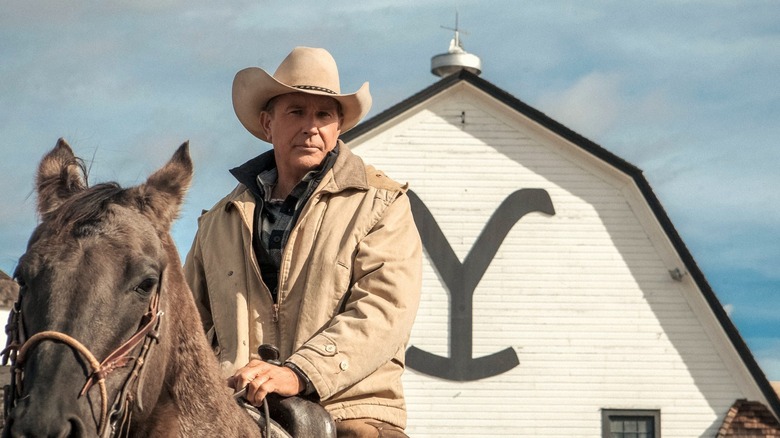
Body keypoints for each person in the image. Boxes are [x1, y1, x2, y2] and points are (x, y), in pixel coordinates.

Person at [184, 46, 422, 437]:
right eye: (296, 112)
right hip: (234, 412)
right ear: (267, 124)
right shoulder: (217, 222)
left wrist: (298, 373)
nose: (311, 126)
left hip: (351, 411)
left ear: (338, 127)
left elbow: (384, 311)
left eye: (324, 114)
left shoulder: (382, 205)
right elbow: (187, 325)